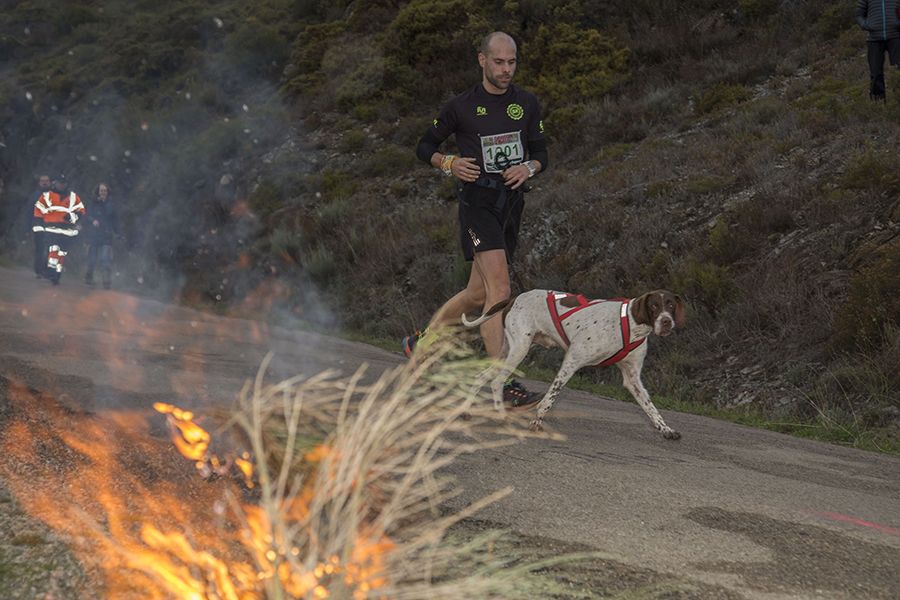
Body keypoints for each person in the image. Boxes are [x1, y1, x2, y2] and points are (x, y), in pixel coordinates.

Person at [404, 31, 549, 409]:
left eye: (512, 62)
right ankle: (502, 381)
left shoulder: (527, 103)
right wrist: (448, 163)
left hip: (511, 205)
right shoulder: (461, 106)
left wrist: (528, 168)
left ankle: (421, 343)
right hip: (477, 204)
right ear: (482, 60)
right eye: (499, 62)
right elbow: (424, 146)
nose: (506, 69)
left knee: (477, 294)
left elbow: (541, 154)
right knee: (500, 290)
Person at [33, 173, 85, 285]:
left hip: (66, 230)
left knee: (61, 253)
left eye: (64, 183)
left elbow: (81, 211)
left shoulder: (73, 197)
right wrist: (38, 225)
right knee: (53, 249)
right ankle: (51, 271)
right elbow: (38, 210)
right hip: (51, 228)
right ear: (55, 183)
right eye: (60, 183)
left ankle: (57, 274)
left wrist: (72, 217)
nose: (62, 185)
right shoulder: (47, 195)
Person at [856, 0, 900, 100]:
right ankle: (878, 104)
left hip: (896, 37)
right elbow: (859, 15)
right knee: (875, 73)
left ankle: (897, 103)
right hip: (874, 39)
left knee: (898, 70)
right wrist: (866, 25)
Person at [84, 182, 118, 289]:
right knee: (92, 259)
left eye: (105, 191)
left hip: (106, 236)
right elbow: (87, 215)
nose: (103, 192)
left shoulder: (111, 205)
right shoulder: (93, 203)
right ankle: (89, 277)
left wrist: (118, 233)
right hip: (94, 235)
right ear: (98, 192)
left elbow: (115, 220)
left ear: (107, 192)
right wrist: (92, 220)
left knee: (105, 259)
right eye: (101, 190)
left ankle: (106, 281)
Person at [29, 174, 52, 278]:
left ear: (50, 182)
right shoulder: (35, 195)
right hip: (38, 225)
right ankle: (38, 270)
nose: (44, 183)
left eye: (46, 181)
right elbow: (30, 211)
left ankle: (46, 270)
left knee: (50, 249)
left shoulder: (54, 195)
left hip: (51, 226)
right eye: (42, 181)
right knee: (39, 248)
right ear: (39, 183)